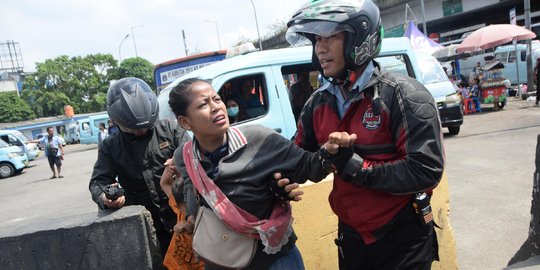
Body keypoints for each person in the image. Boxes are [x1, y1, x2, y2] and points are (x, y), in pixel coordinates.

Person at [285, 0, 444, 269]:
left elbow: (425, 169)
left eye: (330, 36)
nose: (320, 48)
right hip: (351, 236)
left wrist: (354, 166)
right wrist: (321, 158)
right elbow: (300, 162)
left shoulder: (403, 95)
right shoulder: (317, 103)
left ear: (359, 38)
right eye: (316, 39)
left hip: (403, 237)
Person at [168, 78, 355, 270]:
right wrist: (191, 219)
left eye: (216, 99)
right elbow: (193, 189)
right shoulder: (184, 157)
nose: (216, 107)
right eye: (203, 104)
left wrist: (329, 152)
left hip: (273, 260)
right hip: (221, 261)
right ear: (185, 122)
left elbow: (307, 166)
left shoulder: (259, 138)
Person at [89, 77, 191, 257]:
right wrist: (105, 197)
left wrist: (181, 163)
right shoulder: (110, 147)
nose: (140, 131)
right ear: (116, 120)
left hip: (182, 218)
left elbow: (196, 160)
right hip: (143, 227)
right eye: (133, 129)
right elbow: (99, 181)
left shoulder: (171, 130)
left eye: (145, 127)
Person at [160, 158, 205, 270]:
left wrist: (190, 225)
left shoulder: (207, 218)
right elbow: (164, 183)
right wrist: (171, 168)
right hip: (172, 266)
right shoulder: (180, 207)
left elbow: (164, 183)